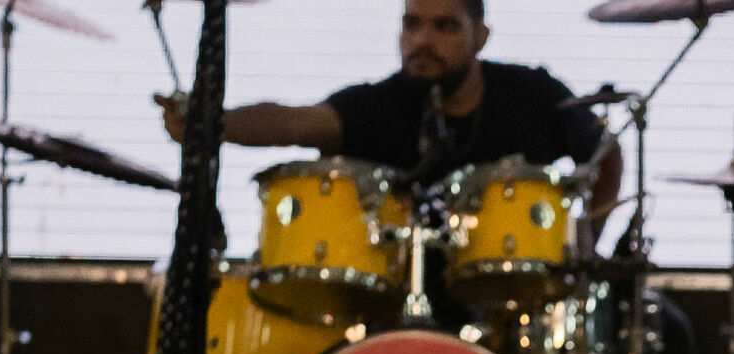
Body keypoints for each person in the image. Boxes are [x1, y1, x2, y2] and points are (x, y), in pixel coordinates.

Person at [158, 0, 621, 219]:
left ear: (480, 36)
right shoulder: (379, 103)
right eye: (411, 24)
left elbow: (605, 154)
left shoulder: (533, 93)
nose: (422, 41)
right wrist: (213, 123)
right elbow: (294, 122)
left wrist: (589, 239)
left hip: (520, 298)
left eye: (444, 27)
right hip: (399, 303)